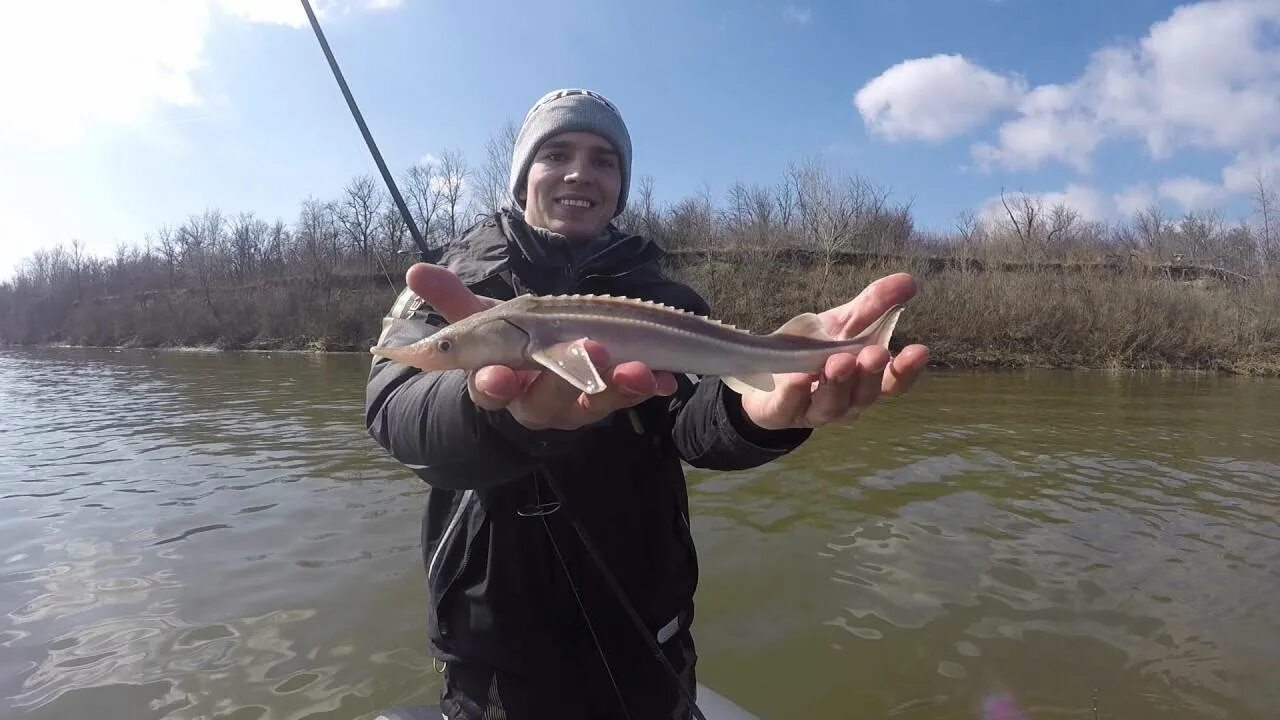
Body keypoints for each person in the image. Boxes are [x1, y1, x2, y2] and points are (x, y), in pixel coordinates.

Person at [365, 88, 928, 720]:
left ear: (620, 185)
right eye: (557, 153)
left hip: (645, 626)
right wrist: (495, 414)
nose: (581, 171)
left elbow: (694, 421)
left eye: (604, 159)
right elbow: (394, 404)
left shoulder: (662, 292)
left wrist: (758, 415)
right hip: (495, 640)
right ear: (524, 175)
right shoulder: (456, 278)